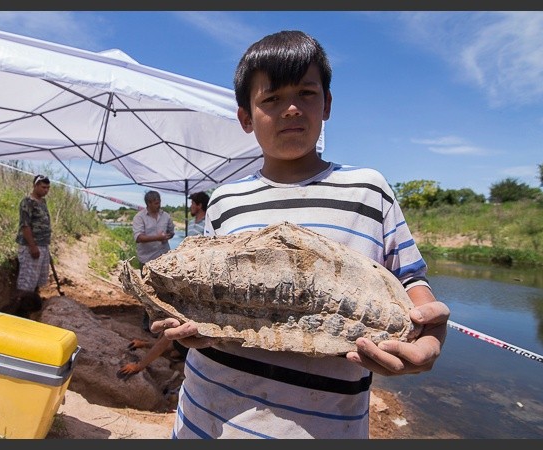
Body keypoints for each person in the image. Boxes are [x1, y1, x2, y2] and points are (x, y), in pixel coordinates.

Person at [151, 30, 450, 439]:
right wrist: (188, 327)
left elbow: (412, 283)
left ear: (326, 104)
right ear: (245, 117)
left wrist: (429, 336)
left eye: (306, 94)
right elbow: (206, 293)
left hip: (324, 427)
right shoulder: (225, 200)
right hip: (208, 420)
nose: (291, 109)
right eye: (271, 99)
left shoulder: (368, 190)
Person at [132, 190, 175, 330]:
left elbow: (171, 232)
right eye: (156, 203)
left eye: (159, 202)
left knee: (165, 291)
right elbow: (138, 237)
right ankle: (147, 322)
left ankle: (164, 322)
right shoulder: (140, 217)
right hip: (147, 260)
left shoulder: (166, 216)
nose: (159, 205)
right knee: (148, 292)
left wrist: (168, 235)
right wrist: (158, 237)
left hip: (164, 259)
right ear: (149, 203)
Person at [13, 174, 52, 317]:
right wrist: (33, 246)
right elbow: (25, 225)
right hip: (31, 247)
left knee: (37, 280)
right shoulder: (27, 202)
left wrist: (44, 247)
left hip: (43, 246)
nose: (46, 190)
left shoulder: (43, 202)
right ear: (35, 186)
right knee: (26, 282)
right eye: (43, 187)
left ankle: (32, 308)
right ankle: (20, 312)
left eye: (48, 188)